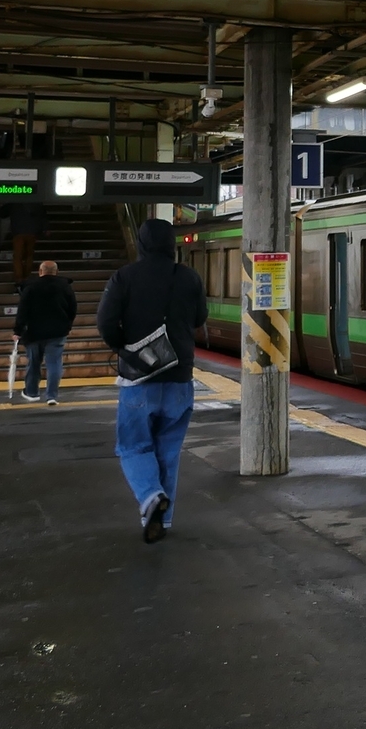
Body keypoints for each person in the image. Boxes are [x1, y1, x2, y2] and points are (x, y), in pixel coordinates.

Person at [97, 218, 208, 544]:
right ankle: (164, 518)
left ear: (142, 244)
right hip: (179, 379)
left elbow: (105, 322)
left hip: (139, 380)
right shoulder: (189, 276)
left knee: (133, 446)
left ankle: (150, 496)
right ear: (171, 245)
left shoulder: (125, 277)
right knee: (167, 451)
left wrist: (126, 348)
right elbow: (200, 317)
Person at [15, 260, 78, 405]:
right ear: (56, 271)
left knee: (33, 362)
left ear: (40, 271)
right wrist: (67, 325)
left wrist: (18, 330)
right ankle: (52, 396)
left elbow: (22, 310)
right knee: (54, 363)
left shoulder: (30, 287)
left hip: (33, 332)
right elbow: (72, 308)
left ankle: (32, 392)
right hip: (57, 332)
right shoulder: (65, 287)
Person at [8, 202, 48, 284]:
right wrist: (45, 228)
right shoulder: (36, 203)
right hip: (32, 232)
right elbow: (43, 216)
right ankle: (27, 276)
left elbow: (2, 213)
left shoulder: (14, 202)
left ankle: (19, 278)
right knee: (29, 255)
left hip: (18, 231)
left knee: (18, 256)